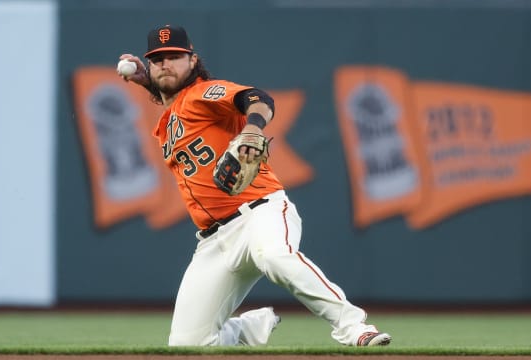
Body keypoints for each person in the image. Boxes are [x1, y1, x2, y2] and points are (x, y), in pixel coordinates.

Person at [118, 24, 392, 347]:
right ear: (150, 65)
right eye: (158, 58)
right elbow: (169, 92)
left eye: (175, 56)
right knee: (186, 346)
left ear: (192, 60)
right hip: (213, 242)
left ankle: (354, 326)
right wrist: (146, 82)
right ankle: (245, 330)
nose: (166, 64)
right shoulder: (172, 112)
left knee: (275, 257)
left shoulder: (204, 93)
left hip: (260, 213)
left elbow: (256, 98)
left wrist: (253, 128)